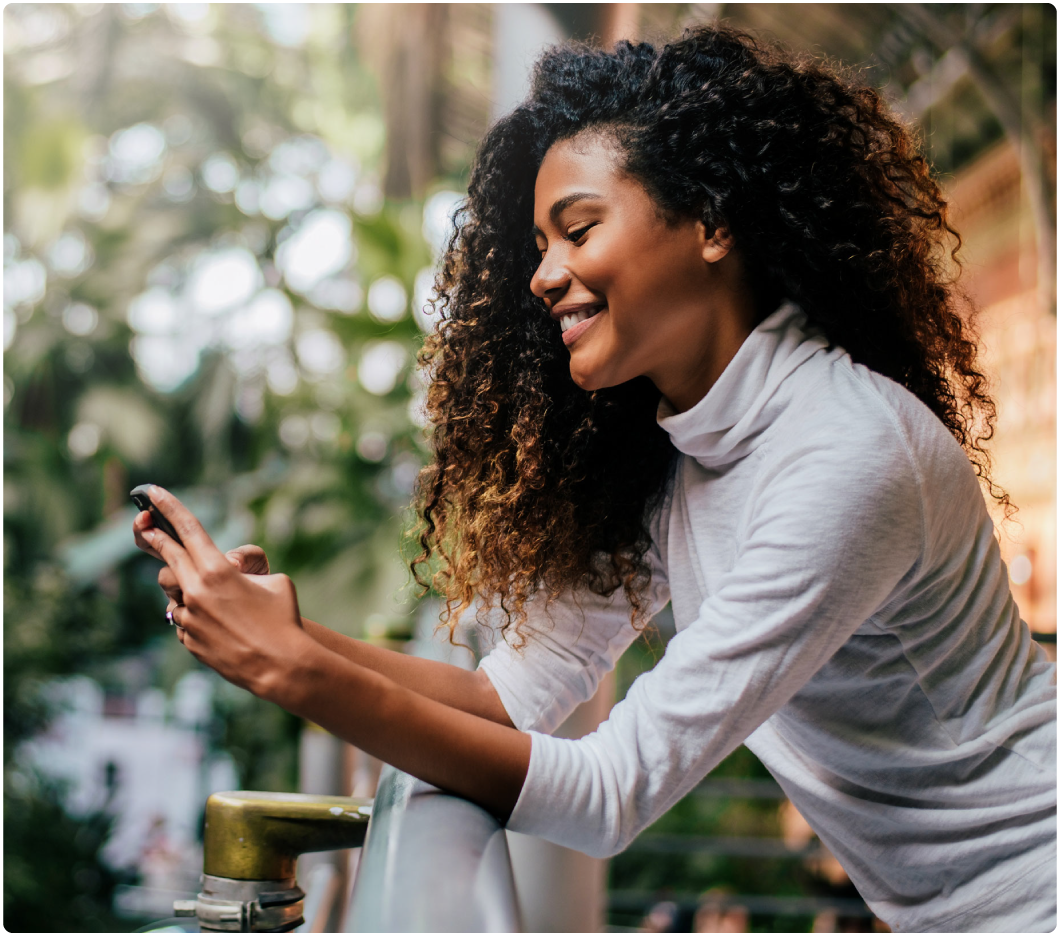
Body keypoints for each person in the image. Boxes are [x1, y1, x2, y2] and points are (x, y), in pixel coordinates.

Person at [133, 27, 1059, 933]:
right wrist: (291, 635)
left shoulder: (845, 454)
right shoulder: (679, 454)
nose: (543, 275)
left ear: (713, 221)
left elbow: (613, 790)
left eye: (577, 229)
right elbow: (505, 699)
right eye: (539, 244)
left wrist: (295, 674)